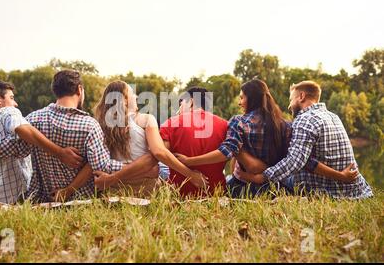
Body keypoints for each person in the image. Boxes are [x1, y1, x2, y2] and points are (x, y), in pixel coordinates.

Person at [0, 71, 158, 202]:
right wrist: (140, 168)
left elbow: (8, 149)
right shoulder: (89, 125)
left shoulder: (33, 119)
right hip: (82, 201)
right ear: (79, 90)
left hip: (45, 200)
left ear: (56, 91)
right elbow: (102, 166)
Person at [176, 79, 360, 197]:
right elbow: (305, 161)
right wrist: (339, 175)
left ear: (251, 99)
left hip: (243, 188)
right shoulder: (285, 125)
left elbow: (226, 151)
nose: (239, 102)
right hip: (276, 189)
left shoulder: (239, 122)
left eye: (241, 98)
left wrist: (190, 161)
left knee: (228, 183)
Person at [236, 80, 373, 199]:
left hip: (326, 191)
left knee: (269, 177)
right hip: (355, 190)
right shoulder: (333, 116)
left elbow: (295, 161)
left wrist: (260, 177)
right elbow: (306, 160)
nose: (289, 106)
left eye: (291, 100)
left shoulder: (305, 120)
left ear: (301, 96)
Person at [0, 80, 82, 205]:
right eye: (12, 98)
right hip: (5, 200)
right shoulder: (7, 112)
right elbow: (22, 128)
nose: (15, 104)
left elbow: (3, 146)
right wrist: (59, 152)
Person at [87, 81, 207, 196]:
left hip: (115, 190)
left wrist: (112, 178)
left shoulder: (100, 125)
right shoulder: (146, 119)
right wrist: (190, 175)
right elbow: (159, 153)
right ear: (124, 99)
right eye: (132, 93)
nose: (136, 96)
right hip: (145, 189)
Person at [159, 87, 231, 197]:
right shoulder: (226, 125)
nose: (179, 107)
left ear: (191, 101)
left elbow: (160, 155)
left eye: (181, 103)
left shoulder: (171, 124)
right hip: (216, 196)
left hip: (179, 197)